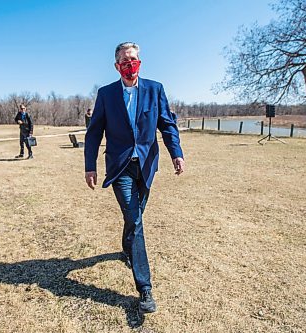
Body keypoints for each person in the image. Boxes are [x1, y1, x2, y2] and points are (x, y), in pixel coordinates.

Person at [84, 42, 185, 314]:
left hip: (147, 165)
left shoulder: (155, 89)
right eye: (124, 61)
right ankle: (145, 289)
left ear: (140, 61)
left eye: (134, 60)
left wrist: (176, 153)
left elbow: (167, 124)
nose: (130, 65)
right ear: (117, 66)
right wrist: (89, 165)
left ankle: (127, 247)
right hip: (120, 167)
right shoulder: (106, 94)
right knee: (136, 219)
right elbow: (94, 132)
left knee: (134, 216)